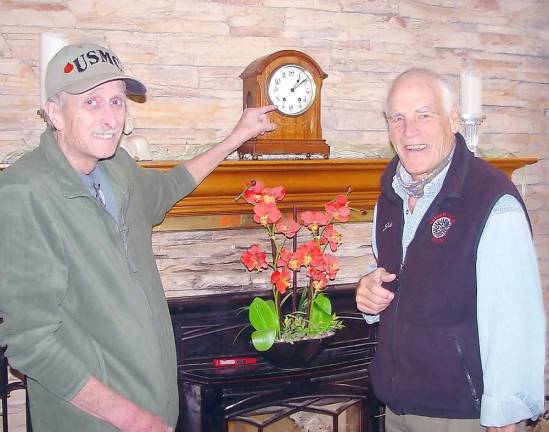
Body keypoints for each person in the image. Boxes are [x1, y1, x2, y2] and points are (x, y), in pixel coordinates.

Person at [0, 42, 276, 432]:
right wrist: (129, 418)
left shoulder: (118, 170)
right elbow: (31, 342)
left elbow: (171, 186)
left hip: (154, 413)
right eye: (91, 102)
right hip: (95, 423)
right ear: (54, 113)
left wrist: (236, 137)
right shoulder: (24, 193)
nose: (110, 118)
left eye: (117, 101)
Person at [355, 68, 545, 432]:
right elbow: (398, 277)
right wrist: (369, 294)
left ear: (453, 117)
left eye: (423, 114)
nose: (409, 130)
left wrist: (505, 413)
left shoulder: (491, 198)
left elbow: (514, 318)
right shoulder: (389, 198)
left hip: (463, 414)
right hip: (398, 405)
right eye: (398, 118)